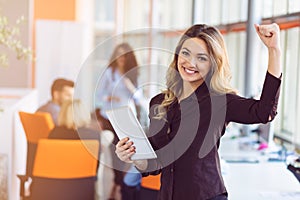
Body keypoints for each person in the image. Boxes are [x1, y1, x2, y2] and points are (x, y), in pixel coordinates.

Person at [115, 23, 282, 200]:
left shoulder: (220, 101)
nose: (190, 63)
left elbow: (264, 112)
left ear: (213, 63)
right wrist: (132, 156)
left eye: (201, 58)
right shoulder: (158, 104)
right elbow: (156, 163)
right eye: (186, 53)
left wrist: (274, 50)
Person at [95, 42, 142, 200]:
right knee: (115, 152)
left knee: (126, 153)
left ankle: (119, 185)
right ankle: (117, 184)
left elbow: (138, 98)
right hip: (110, 116)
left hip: (126, 117)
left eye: (124, 55)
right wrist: (109, 97)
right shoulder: (110, 72)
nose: (121, 58)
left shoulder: (133, 73)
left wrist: (129, 85)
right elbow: (99, 94)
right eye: (118, 54)